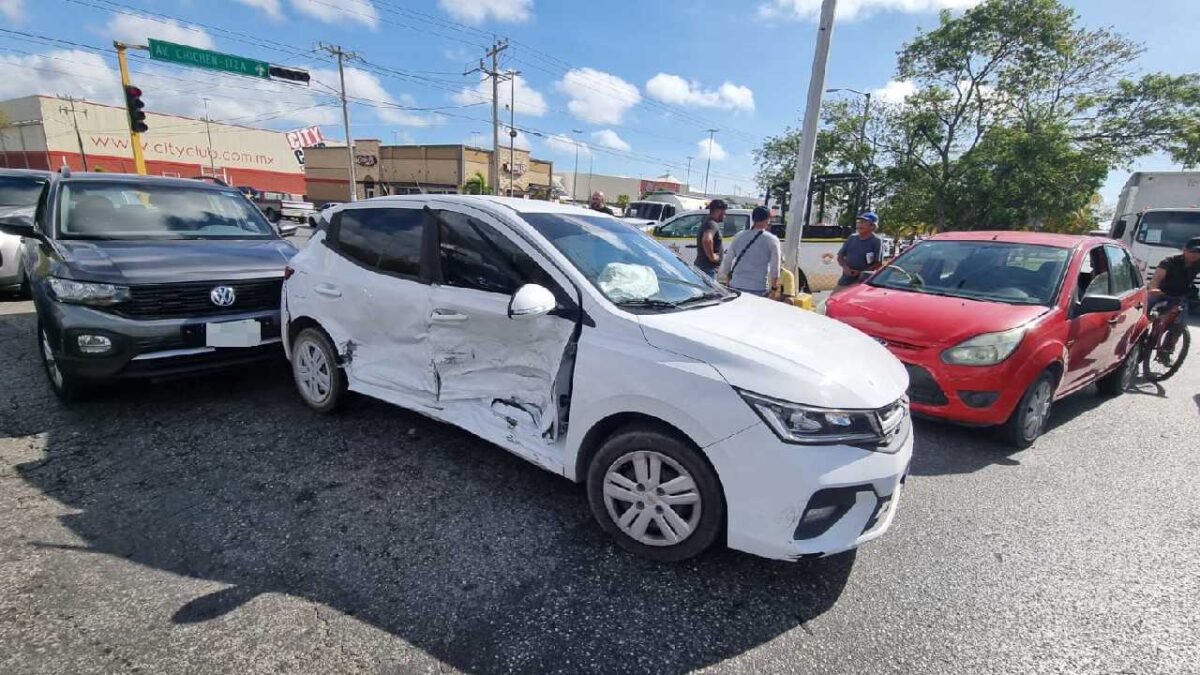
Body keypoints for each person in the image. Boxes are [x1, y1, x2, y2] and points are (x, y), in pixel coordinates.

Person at [1147, 236, 1200, 356]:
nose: (1195, 255)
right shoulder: (1169, 261)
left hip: (1180, 295)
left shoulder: (1198, 263)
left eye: (1198, 252)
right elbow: (1157, 277)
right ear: (1184, 250)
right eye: (1192, 251)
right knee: (1144, 312)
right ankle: (1138, 337)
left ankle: (1167, 350)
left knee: (1180, 323)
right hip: (1161, 292)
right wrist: (1153, 288)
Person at [720, 206, 780, 298]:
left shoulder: (739, 236)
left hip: (736, 284)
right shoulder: (772, 240)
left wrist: (728, 278)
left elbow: (728, 260)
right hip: (758, 287)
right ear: (767, 220)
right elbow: (775, 268)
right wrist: (774, 288)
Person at [836, 211, 883, 288]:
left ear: (872, 226)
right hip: (845, 280)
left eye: (863, 222)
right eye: (859, 222)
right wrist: (845, 268)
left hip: (864, 282)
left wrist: (861, 272)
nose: (859, 225)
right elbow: (840, 257)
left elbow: (878, 264)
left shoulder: (876, 241)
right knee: (835, 295)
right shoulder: (852, 238)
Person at [694, 199, 727, 278]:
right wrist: (712, 256)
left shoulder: (709, 222)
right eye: (724, 211)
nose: (725, 214)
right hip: (707, 269)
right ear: (718, 211)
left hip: (706, 268)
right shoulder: (711, 224)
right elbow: (707, 239)